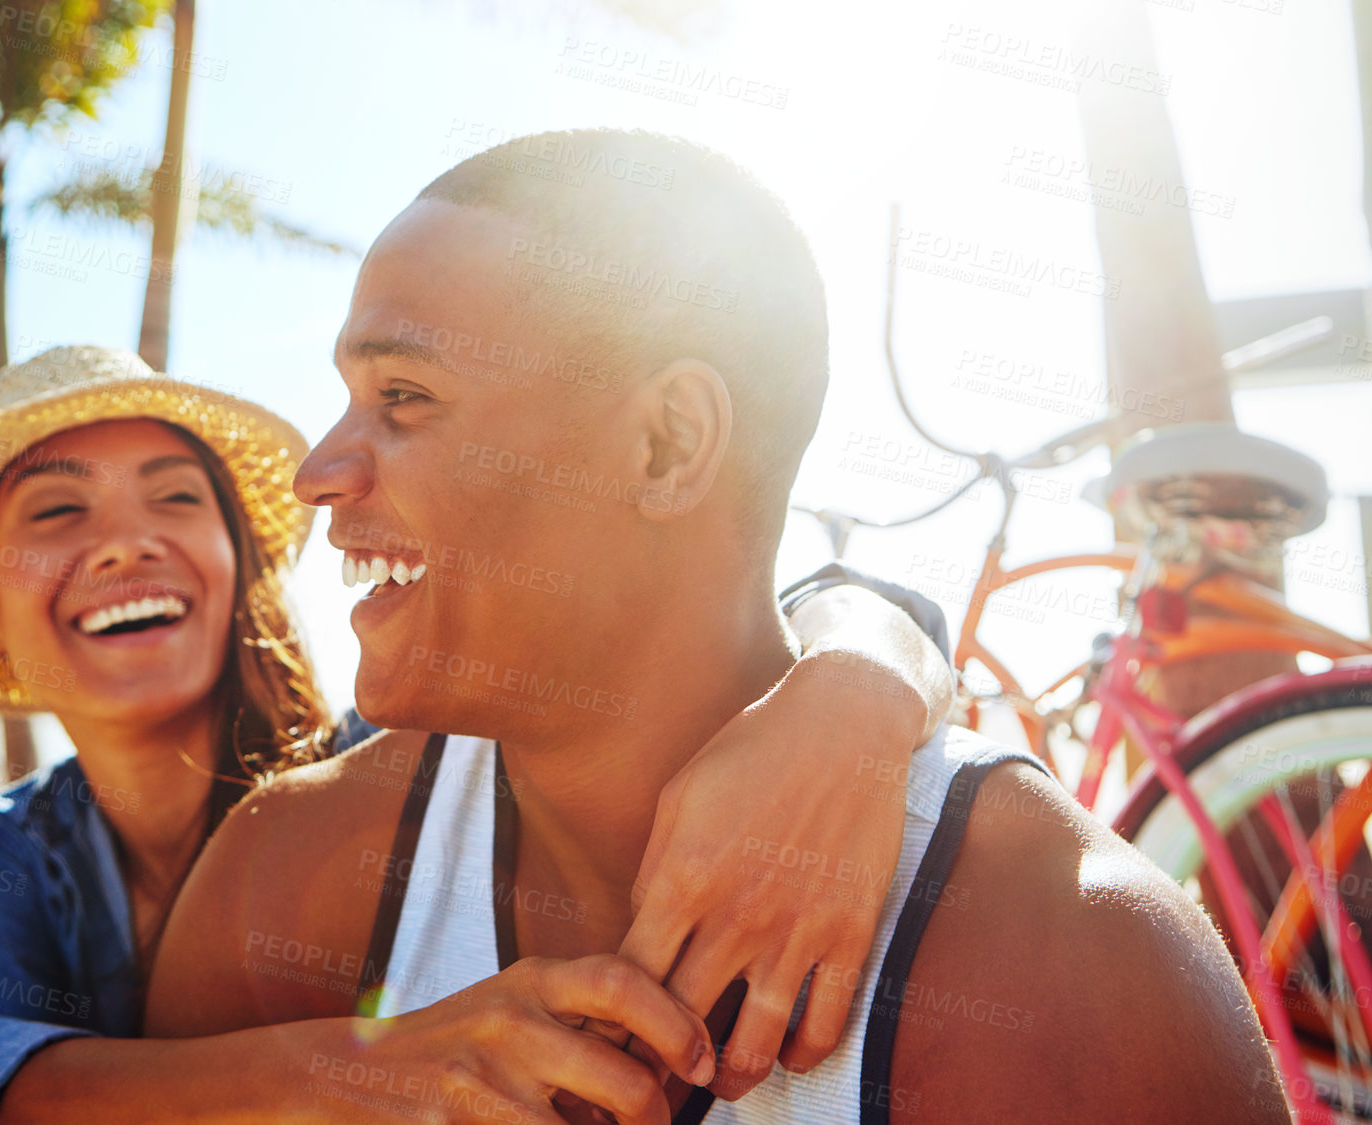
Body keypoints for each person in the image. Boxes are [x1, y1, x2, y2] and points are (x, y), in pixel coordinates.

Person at [144, 129, 1288, 1124]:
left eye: (404, 400)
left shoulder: (1069, 976)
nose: (318, 472)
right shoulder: (285, 884)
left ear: (667, 447)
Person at [0, 345, 956, 1123]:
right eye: (58, 513)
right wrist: (370, 1067)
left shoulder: (391, 772)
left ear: (242, 558)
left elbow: (720, 629)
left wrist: (853, 683)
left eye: (173, 500)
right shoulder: (0, 848)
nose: (123, 547)